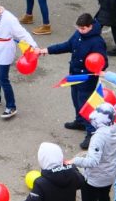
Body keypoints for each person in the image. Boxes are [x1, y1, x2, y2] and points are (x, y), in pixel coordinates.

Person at [42, 13, 107, 146]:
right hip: (74, 75)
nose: (80, 31)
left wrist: (96, 66)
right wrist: (47, 50)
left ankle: (91, 133)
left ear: (90, 26)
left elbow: (104, 62)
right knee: (76, 100)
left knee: (86, 105)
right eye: (78, 28)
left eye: (83, 28)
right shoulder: (78, 35)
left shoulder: (97, 42)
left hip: (87, 78)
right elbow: (67, 45)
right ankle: (80, 121)